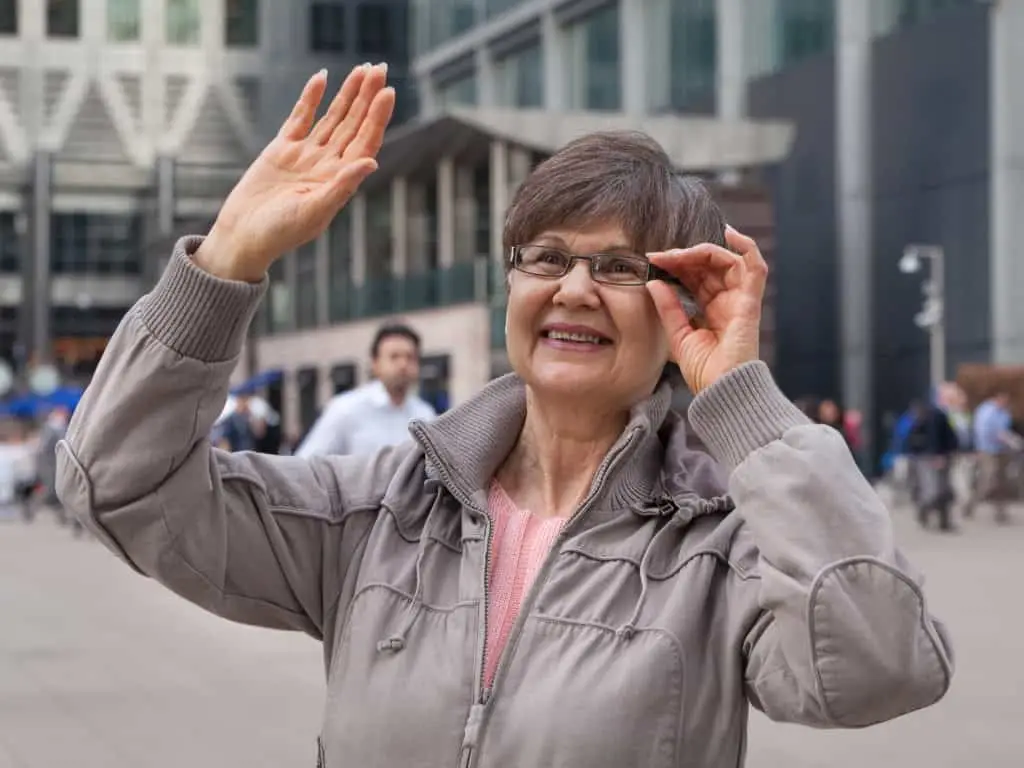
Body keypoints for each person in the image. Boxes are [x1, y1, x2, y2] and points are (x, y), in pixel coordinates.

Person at [55, 64, 952, 767]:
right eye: (545, 257)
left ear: (679, 304)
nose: (572, 288)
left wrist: (743, 401)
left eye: (618, 268)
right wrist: (220, 268)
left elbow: (882, 667)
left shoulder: (720, 547)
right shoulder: (379, 513)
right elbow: (120, 486)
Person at [295, 322, 436, 457]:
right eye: (394, 357)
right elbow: (307, 463)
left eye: (410, 357)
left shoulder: (424, 415)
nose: (403, 364)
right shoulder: (345, 409)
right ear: (375, 364)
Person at [903, 399, 960, 531]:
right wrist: (937, 454)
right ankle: (924, 510)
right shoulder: (932, 416)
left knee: (944, 490)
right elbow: (931, 437)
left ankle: (943, 521)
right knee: (933, 490)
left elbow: (949, 436)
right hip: (930, 457)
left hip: (938, 456)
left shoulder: (937, 416)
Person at [968, 391, 1021, 523]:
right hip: (987, 450)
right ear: (997, 398)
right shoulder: (986, 411)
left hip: (1002, 450)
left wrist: (1011, 440)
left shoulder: (1004, 413)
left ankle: (1000, 512)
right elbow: (983, 431)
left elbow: (1005, 429)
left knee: (1002, 480)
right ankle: (971, 505)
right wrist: (999, 437)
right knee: (988, 478)